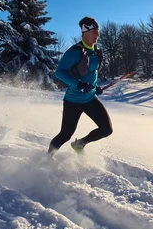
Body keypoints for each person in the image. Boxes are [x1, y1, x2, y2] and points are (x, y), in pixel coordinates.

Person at [48, 16, 113, 154]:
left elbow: (91, 74)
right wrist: (78, 84)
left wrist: (95, 88)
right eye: (94, 31)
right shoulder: (74, 52)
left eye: (98, 31)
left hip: (90, 99)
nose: (98, 35)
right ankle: (47, 158)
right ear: (85, 32)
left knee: (107, 129)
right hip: (73, 100)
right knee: (65, 134)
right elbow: (59, 72)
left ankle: (80, 144)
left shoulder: (96, 51)